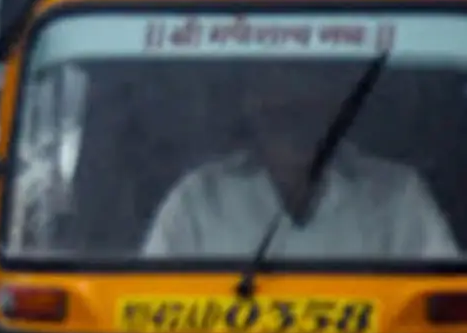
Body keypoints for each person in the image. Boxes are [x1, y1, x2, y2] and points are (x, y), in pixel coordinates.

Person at [142, 68, 460, 259]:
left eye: (303, 85)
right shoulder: (197, 199)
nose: (288, 100)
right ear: (248, 106)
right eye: (272, 88)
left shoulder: (398, 195)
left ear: (336, 100)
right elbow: (145, 312)